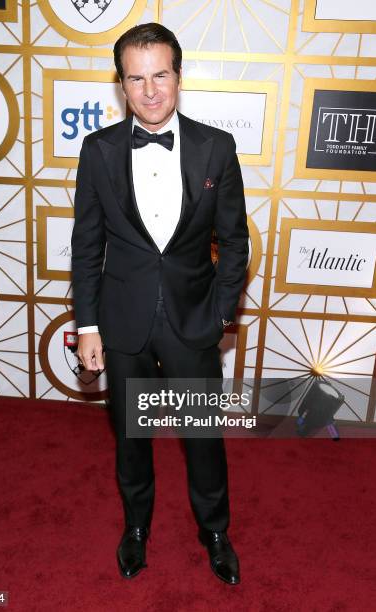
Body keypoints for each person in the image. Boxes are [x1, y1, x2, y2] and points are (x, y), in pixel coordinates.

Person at [71, 22, 249, 585]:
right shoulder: (97, 151)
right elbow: (86, 244)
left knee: (202, 438)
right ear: (122, 85)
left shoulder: (215, 147)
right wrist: (89, 324)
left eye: (161, 75)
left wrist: (220, 312)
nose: (150, 91)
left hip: (192, 320)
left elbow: (235, 240)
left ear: (178, 75)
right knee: (131, 441)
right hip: (121, 323)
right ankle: (137, 529)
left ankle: (215, 531)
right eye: (136, 78)